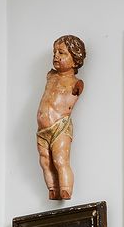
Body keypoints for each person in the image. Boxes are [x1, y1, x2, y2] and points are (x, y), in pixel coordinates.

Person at [36, 34, 87, 200]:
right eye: (54, 52)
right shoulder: (50, 76)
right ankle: (52, 188)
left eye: (62, 53)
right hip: (42, 130)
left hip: (60, 127)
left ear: (75, 59)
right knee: (45, 161)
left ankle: (65, 189)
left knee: (60, 160)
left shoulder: (76, 83)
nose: (56, 56)